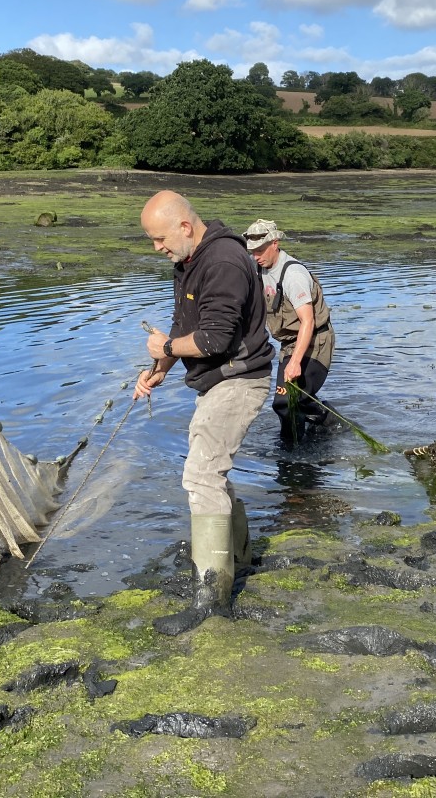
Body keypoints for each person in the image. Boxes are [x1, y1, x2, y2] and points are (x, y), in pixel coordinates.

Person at [134, 191, 274, 633]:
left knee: (200, 475)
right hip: (216, 381)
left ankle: (212, 597)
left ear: (185, 227)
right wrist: (158, 368)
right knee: (210, 471)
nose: (157, 248)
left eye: (159, 239)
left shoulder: (224, 262)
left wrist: (166, 347)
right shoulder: (190, 262)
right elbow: (184, 327)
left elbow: (213, 339)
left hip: (240, 380)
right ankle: (239, 558)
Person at [243, 218, 336, 443]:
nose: (256, 256)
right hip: (290, 343)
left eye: (261, 250)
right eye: (252, 252)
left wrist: (294, 362)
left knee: (284, 402)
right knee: (295, 400)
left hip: (315, 341)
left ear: (275, 243)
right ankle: (322, 425)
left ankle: (291, 451)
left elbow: (308, 322)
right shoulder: (259, 267)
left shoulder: (293, 276)